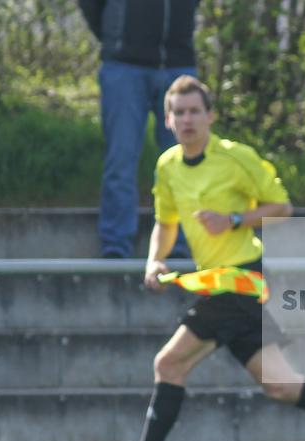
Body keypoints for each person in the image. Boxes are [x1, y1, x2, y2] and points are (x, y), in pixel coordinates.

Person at [75, 76, 305, 441]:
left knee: (169, 362)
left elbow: (283, 208)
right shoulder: (168, 165)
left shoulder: (237, 158)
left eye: (195, 111)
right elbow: (166, 220)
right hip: (224, 287)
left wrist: (234, 219)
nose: (187, 119)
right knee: (282, 386)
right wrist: (154, 260)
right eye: (178, 112)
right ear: (169, 119)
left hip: (239, 282)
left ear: (211, 116)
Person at [78, 0, 198, 258]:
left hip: (178, 63)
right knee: (121, 159)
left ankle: (180, 248)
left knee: (185, 162)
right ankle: (116, 248)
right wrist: (117, 38)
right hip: (124, 66)